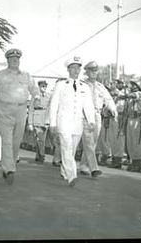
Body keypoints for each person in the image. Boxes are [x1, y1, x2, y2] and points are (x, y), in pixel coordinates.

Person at [0, 48, 39, 185]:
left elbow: (34, 89)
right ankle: (8, 170)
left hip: (21, 110)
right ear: (8, 60)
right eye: (12, 59)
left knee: (16, 141)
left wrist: (37, 95)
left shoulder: (26, 75)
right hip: (4, 110)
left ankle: (10, 163)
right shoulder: (0, 75)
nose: (15, 61)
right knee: (7, 141)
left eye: (17, 59)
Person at [49, 56, 95, 187]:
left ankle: (64, 171)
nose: (76, 71)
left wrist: (91, 120)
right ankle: (71, 175)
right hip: (63, 121)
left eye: (78, 68)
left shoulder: (84, 86)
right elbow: (54, 104)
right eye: (73, 68)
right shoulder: (61, 85)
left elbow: (88, 105)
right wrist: (52, 122)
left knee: (72, 150)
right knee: (66, 147)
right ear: (68, 69)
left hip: (77, 123)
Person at [79, 61, 117, 172]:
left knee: (93, 141)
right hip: (85, 115)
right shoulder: (82, 84)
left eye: (95, 71)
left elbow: (108, 99)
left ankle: (83, 165)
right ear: (86, 72)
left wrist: (113, 109)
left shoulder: (100, 86)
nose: (94, 73)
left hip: (97, 114)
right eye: (91, 71)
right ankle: (93, 168)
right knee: (88, 141)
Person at [118, 80, 141, 172]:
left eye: (135, 85)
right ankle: (134, 161)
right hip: (130, 118)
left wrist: (125, 95)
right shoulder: (130, 97)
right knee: (130, 142)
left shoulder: (140, 94)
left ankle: (139, 162)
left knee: (137, 142)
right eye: (132, 85)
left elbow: (135, 95)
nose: (132, 87)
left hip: (138, 119)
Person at [27, 80, 51, 163]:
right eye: (42, 86)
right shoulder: (35, 96)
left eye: (45, 86)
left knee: (41, 139)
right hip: (37, 117)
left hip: (45, 118)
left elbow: (50, 109)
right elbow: (31, 109)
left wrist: (49, 120)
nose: (43, 88)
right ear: (39, 87)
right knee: (39, 138)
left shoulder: (48, 96)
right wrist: (30, 122)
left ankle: (38, 155)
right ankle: (42, 154)